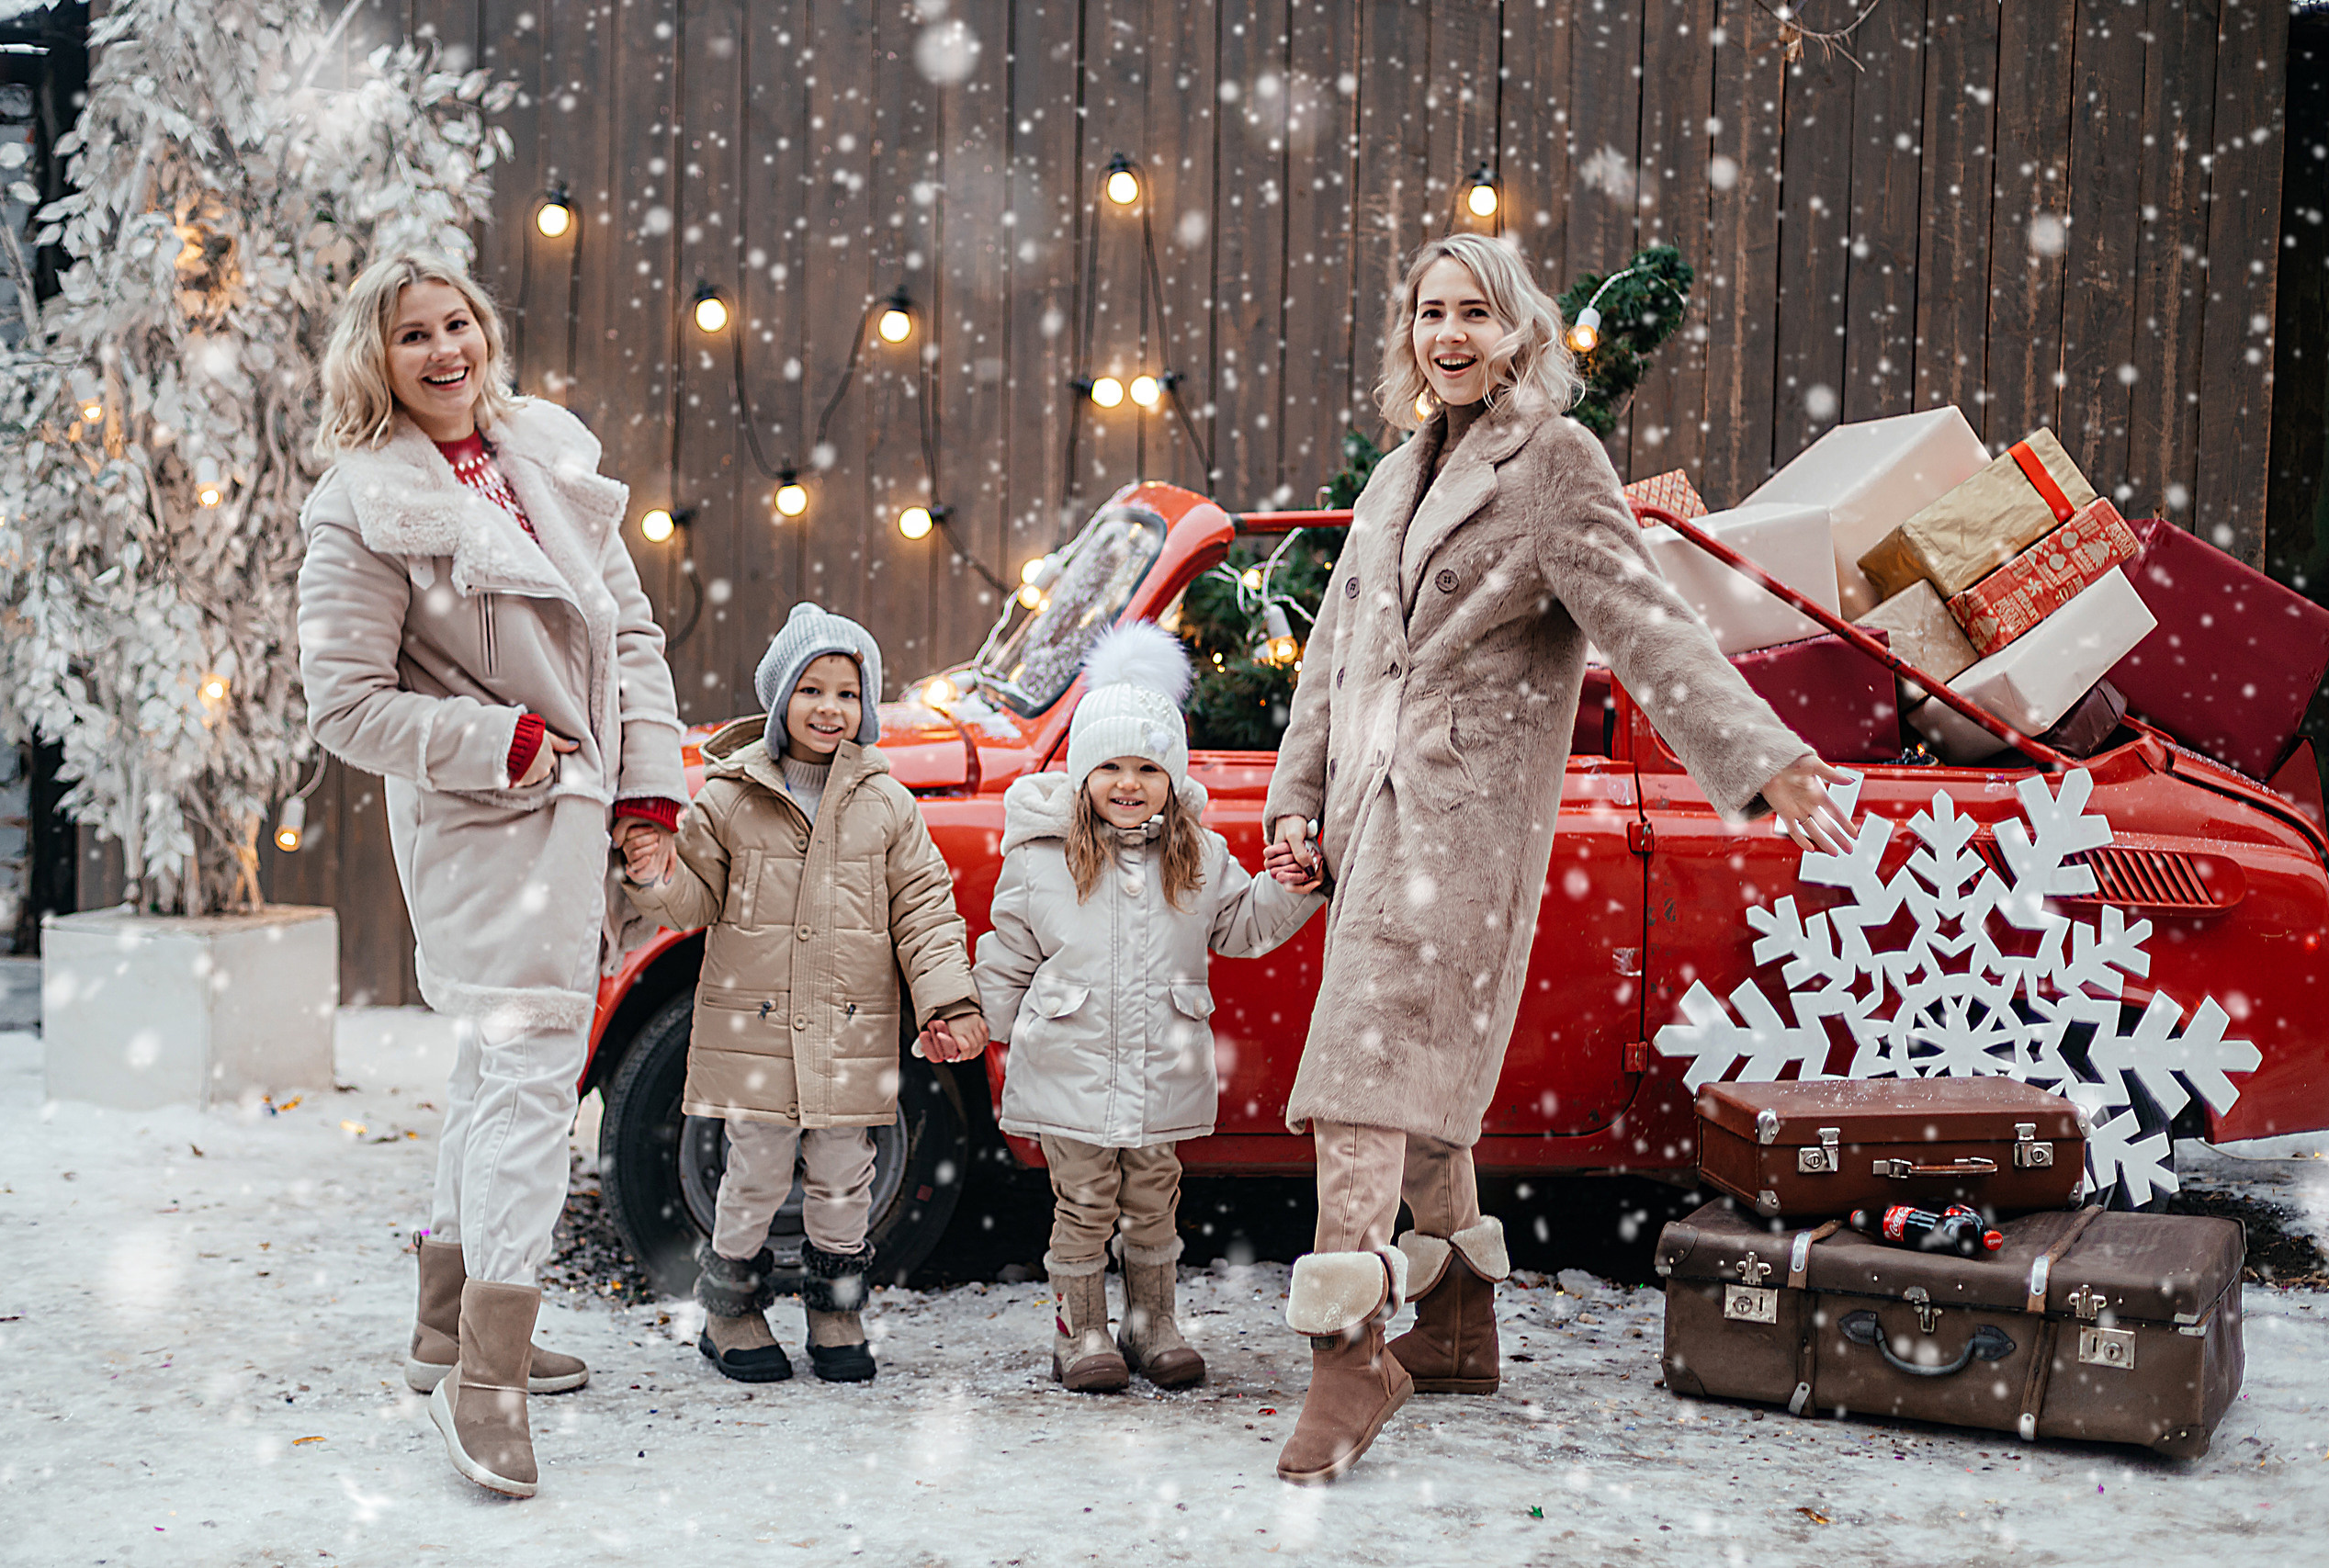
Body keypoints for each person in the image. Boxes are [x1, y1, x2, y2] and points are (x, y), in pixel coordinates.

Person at [1261, 233, 1857, 1485]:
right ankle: (1457, 1320)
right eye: (1430, 312)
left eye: (1475, 312)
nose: (1449, 334)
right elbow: (1333, 660)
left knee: (1360, 1071)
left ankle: (1347, 1353)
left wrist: (1761, 756)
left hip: (1460, 831)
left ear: (1519, 330)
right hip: (1370, 825)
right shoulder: (1392, 476)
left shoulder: (1553, 462)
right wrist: (1294, 803)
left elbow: (1644, 619)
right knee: (1409, 1069)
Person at [297, 251, 690, 1497]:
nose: (444, 350)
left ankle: (445, 1326)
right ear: (376, 359)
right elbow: (344, 705)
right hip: (485, 828)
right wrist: (501, 742)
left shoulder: (547, 458)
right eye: (413, 334)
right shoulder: (363, 507)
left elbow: (629, 634)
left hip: (577, 818)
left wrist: (647, 790)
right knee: (528, 1084)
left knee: (491, 1072)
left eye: (456, 322)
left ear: (485, 331)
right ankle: (489, 1380)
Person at [617, 604, 988, 1387]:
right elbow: (692, 902)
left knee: (844, 1177)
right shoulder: (731, 797)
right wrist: (656, 874)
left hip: (850, 1035)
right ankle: (730, 1309)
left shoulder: (885, 803)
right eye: (812, 690)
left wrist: (949, 1001)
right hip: (758, 1034)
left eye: (848, 693)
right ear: (780, 698)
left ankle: (836, 1309)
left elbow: (924, 909)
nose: (830, 708)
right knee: (754, 1173)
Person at [962, 626, 1326, 1393]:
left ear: (1172, 776)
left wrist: (1291, 888)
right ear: (1083, 774)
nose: (1129, 784)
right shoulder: (1042, 858)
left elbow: (1243, 925)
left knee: (1155, 1200)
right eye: (1111, 767)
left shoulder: (1199, 857)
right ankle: (1080, 1330)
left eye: (1148, 768)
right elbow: (1009, 953)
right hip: (1071, 1067)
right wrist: (969, 1022)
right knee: (1085, 1203)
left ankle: (1151, 1321)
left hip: (1162, 1067)